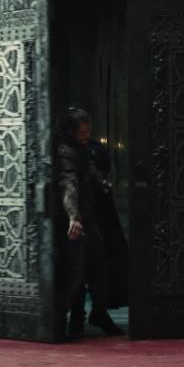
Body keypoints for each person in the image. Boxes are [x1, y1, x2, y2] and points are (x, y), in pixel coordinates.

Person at [55, 107, 123, 338]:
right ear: (71, 132)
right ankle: (64, 321)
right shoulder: (65, 152)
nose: (87, 136)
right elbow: (69, 184)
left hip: (87, 217)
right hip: (74, 221)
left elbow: (89, 172)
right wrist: (73, 216)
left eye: (88, 131)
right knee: (75, 271)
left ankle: (96, 313)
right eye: (83, 132)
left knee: (98, 266)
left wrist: (102, 182)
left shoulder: (81, 149)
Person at [68, 138, 129, 337]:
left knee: (95, 267)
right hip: (82, 217)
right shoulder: (72, 152)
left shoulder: (92, 150)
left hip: (96, 217)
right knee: (79, 268)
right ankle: (81, 318)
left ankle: (92, 315)